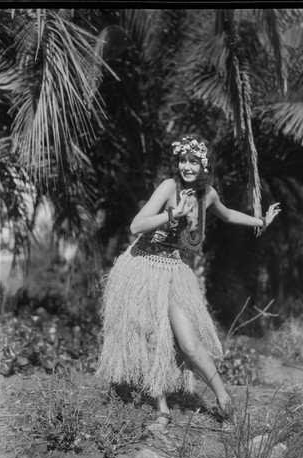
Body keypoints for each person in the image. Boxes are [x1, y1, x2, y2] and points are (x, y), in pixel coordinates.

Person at [96, 134, 281, 430]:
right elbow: (136, 225)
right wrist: (172, 214)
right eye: (182, 161)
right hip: (142, 267)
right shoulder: (169, 188)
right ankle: (162, 411)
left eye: (193, 161)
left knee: (189, 344)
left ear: (203, 165)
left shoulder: (208, 195)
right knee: (152, 338)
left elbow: (229, 215)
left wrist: (261, 222)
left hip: (175, 270)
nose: (186, 166)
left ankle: (225, 405)